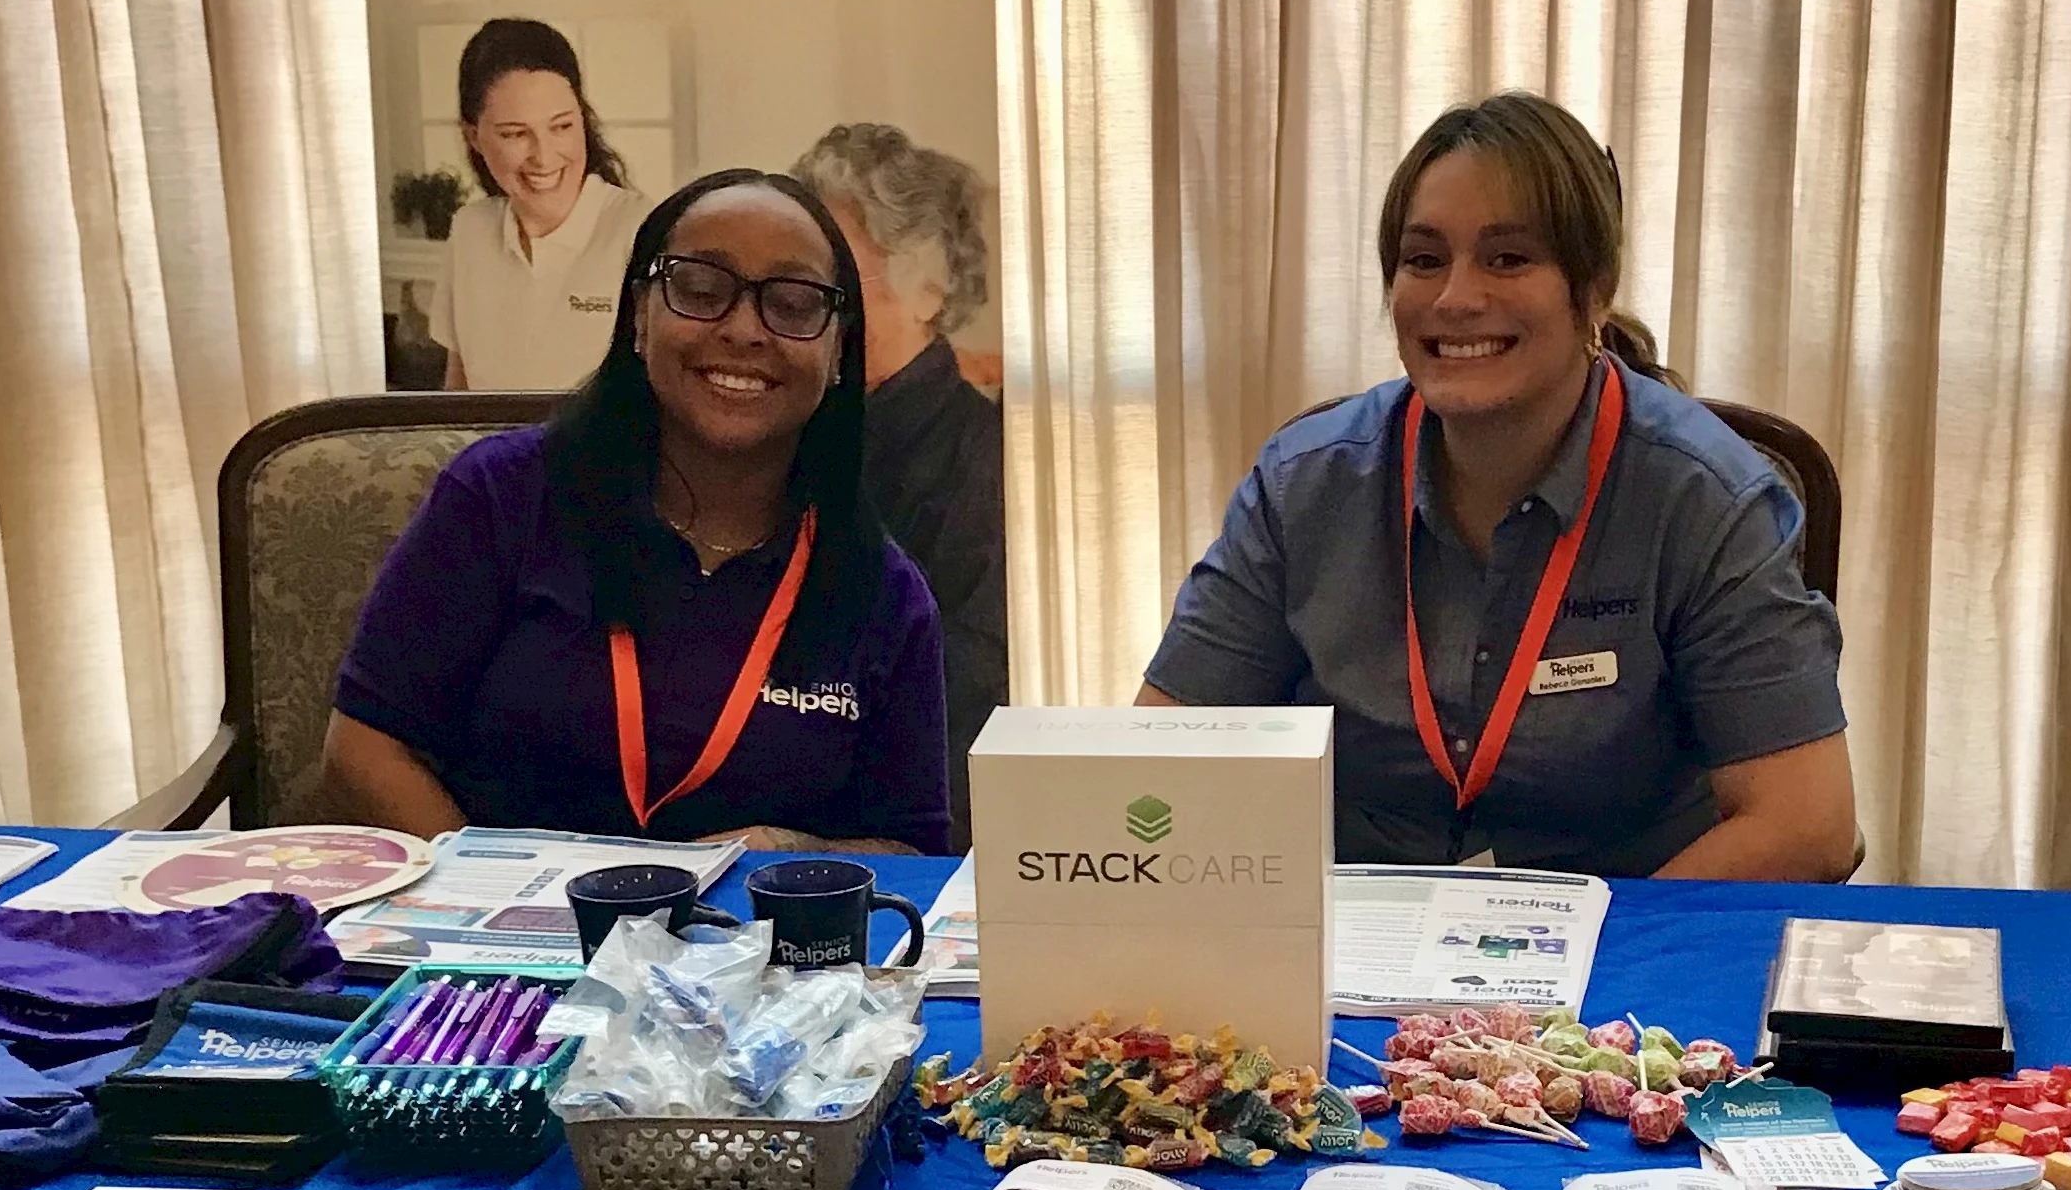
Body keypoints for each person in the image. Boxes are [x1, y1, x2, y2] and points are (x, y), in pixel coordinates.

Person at [1141, 93, 1858, 879]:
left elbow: (1804, 823)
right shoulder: (1301, 485)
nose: (1455, 298)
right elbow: (1161, 757)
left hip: (1614, 951)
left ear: (1592, 288)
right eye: (1423, 259)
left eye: (1508, 257)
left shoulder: (1705, 498)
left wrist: (1580, 961)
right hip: (1347, 948)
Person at [321, 170, 953, 854]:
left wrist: (785, 850)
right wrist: (499, 903)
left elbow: (912, 851)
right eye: (700, 289)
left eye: (794, 303)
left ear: (837, 352)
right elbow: (364, 749)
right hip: (502, 949)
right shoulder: (500, 499)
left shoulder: (883, 593)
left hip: (753, 952)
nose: (743, 329)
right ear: (638, 316)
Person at [795, 121, 1007, 842]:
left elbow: (967, 699)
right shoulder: (790, 433)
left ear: (930, 285)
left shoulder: (986, 463)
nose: (809, 303)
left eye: (837, 275)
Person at [430, 19, 647, 391]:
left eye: (561, 127)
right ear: (474, 137)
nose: (544, 157)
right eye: (515, 134)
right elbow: (457, 399)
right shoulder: (470, 230)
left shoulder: (641, 231)